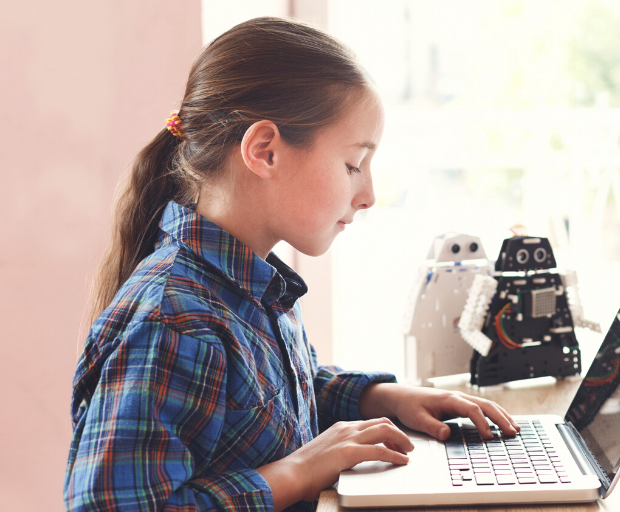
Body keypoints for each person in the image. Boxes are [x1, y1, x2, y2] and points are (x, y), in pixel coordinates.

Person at [65, 17, 519, 512]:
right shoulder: (173, 321)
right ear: (265, 151)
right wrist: (296, 473)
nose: (368, 195)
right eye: (353, 165)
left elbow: (267, 406)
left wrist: (384, 398)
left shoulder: (250, 284)